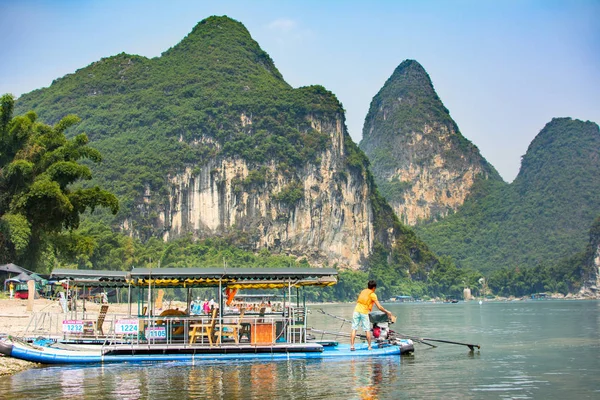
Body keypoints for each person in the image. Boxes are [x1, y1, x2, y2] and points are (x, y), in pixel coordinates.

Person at [350, 280, 392, 351]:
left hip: (356, 311)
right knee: (367, 330)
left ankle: (352, 346)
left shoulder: (363, 291)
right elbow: (379, 307)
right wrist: (387, 312)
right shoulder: (373, 295)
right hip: (364, 312)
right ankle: (369, 346)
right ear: (374, 288)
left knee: (354, 329)